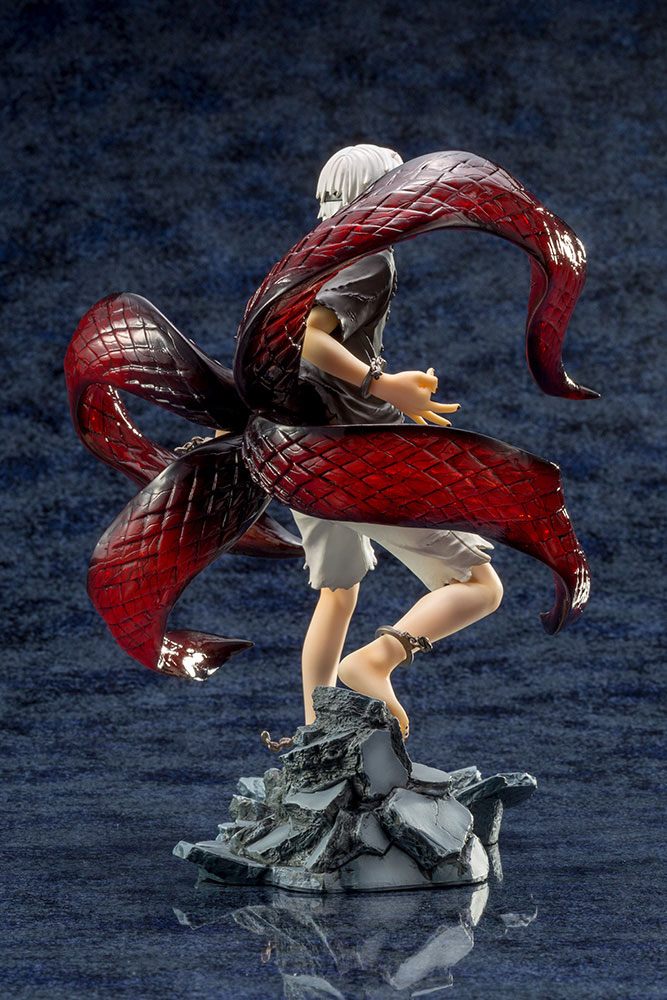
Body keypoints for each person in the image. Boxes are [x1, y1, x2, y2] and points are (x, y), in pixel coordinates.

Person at [287, 144, 504, 742]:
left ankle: (316, 738)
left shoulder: (309, 257)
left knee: (338, 592)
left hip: (298, 454)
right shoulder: (368, 258)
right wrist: (385, 386)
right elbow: (312, 341)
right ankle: (375, 662)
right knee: (478, 587)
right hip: (355, 455)